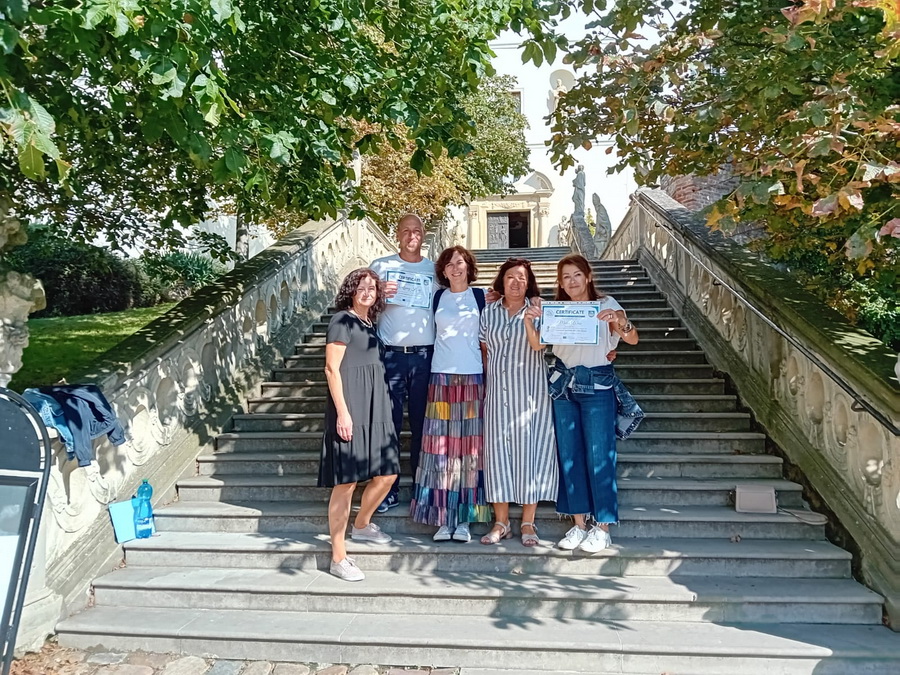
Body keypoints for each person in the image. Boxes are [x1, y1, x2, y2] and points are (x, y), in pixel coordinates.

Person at [528, 253, 642, 553]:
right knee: (569, 455)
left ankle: (602, 527)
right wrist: (531, 320)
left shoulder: (606, 305)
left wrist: (620, 321)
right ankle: (578, 523)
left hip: (597, 386)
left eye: (577, 274)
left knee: (599, 454)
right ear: (560, 283)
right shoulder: (556, 310)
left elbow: (632, 339)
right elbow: (539, 344)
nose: (572, 281)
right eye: (565, 277)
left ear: (588, 276)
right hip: (564, 387)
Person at [319, 268, 398, 582]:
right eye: (361, 287)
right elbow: (331, 369)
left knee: (388, 474)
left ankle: (362, 524)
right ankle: (338, 557)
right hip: (351, 406)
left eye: (372, 288)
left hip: (376, 406)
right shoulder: (342, 320)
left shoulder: (370, 323)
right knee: (347, 482)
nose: (367, 292)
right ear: (351, 290)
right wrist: (343, 412)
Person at [410, 246, 491, 542]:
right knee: (440, 449)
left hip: (472, 377)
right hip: (440, 377)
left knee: (469, 449)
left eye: (460, 262)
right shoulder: (436, 297)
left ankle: (465, 519)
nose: (455, 268)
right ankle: (443, 517)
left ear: (468, 266)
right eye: (449, 264)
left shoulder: (482, 296)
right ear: (443, 271)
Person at [479, 258, 558, 547]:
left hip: (530, 394)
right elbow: (484, 350)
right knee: (497, 454)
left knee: (530, 453)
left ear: (529, 283)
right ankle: (501, 522)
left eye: (522, 278)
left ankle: (527, 522)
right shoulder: (488, 312)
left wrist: (530, 319)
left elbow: (540, 345)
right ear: (502, 280)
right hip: (497, 394)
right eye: (510, 276)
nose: (516, 282)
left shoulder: (539, 311)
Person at [369, 214, 438, 513]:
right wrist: (377, 295)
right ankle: (388, 490)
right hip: (391, 356)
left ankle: (421, 489)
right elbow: (359, 302)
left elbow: (456, 297)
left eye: (417, 231)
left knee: (424, 425)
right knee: (390, 425)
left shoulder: (435, 269)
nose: (412, 236)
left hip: (426, 356)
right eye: (406, 231)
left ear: (423, 234)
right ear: (397, 234)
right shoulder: (380, 266)